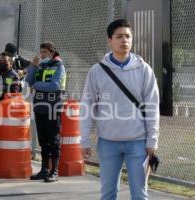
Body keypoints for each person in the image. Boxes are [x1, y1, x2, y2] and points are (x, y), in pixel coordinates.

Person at [80, 19, 160, 200]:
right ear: (110, 40)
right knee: (108, 193)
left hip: (138, 142)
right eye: (119, 36)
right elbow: (87, 106)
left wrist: (152, 140)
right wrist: (83, 139)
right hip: (108, 142)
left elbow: (152, 106)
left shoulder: (144, 70)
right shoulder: (97, 71)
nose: (124, 40)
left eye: (128, 36)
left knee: (139, 194)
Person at [26, 41, 66, 182]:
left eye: (44, 52)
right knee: (43, 140)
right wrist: (32, 66)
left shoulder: (59, 66)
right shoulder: (41, 65)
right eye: (41, 52)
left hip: (53, 106)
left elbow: (54, 85)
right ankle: (44, 170)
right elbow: (29, 80)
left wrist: (36, 85)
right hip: (40, 107)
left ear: (51, 52)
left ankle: (54, 171)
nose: (42, 54)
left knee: (53, 140)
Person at [0, 52, 21, 167]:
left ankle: (2, 161)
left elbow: (14, 93)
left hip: (6, 112)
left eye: (5, 61)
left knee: (3, 136)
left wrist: (0, 94)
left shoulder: (14, 75)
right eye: (0, 61)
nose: (2, 63)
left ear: (10, 63)